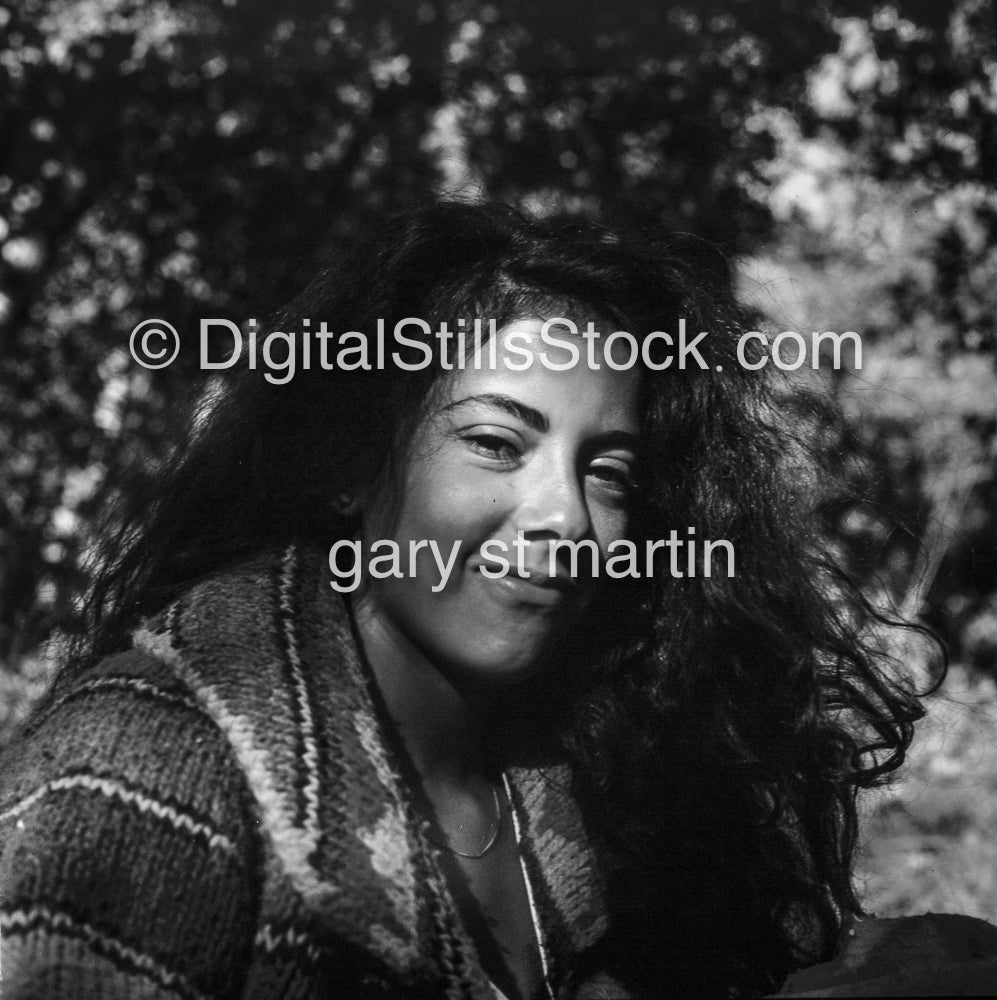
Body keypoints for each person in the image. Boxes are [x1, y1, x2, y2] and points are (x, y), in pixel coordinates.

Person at [0, 201, 938, 998]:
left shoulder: (613, 771)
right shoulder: (142, 768)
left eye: (608, 474)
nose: (565, 517)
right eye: (495, 442)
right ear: (352, 462)